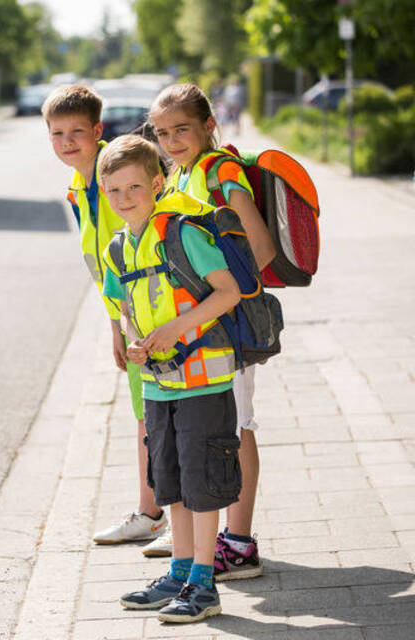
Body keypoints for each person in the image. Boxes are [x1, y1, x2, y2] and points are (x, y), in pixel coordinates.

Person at [98, 135, 242, 623]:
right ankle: (180, 571)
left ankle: (204, 583)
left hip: (204, 381)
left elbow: (229, 292)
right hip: (159, 383)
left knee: (203, 484)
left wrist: (176, 329)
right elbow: (123, 308)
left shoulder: (182, 234)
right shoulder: (119, 248)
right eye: (113, 190)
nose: (123, 199)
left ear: (157, 184)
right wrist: (134, 339)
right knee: (171, 484)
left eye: (133, 187)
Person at [148, 82, 275, 581]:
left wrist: (216, 307)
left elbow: (258, 251)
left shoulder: (221, 173)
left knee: (238, 427)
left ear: (209, 126)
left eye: (182, 129)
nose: (172, 141)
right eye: (162, 133)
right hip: (202, 331)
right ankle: (219, 538)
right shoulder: (181, 173)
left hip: (228, 327)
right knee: (218, 429)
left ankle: (239, 544)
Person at [42, 84, 168, 552]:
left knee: (162, 415)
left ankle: (174, 516)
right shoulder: (78, 189)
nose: (67, 141)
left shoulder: (115, 177)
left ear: (98, 131)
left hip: (160, 315)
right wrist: (115, 326)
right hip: (131, 318)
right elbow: (105, 268)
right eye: (57, 133)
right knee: (146, 415)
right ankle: (150, 511)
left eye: (77, 131)